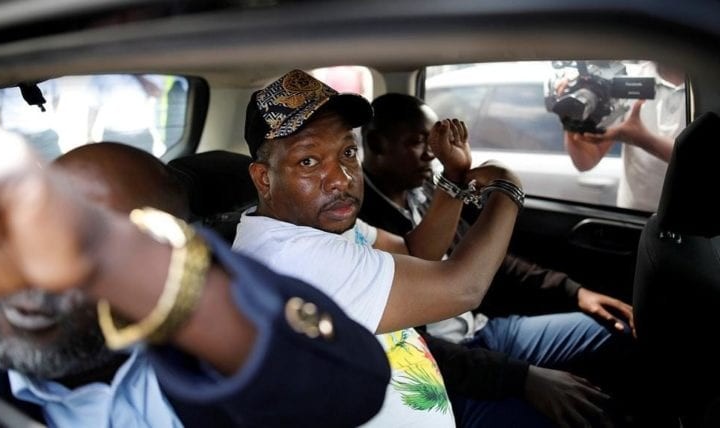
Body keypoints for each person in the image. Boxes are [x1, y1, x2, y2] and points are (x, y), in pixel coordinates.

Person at [232, 69, 609, 427]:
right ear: (264, 179)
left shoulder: (318, 225)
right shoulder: (292, 257)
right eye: (309, 161)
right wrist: (508, 189)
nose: (342, 179)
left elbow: (416, 251)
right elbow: (464, 286)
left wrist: (455, 178)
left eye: (347, 153)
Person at [0, 135, 390, 427]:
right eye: (27, 233)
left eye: (73, 238)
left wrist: (104, 252)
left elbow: (350, 388)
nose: (39, 268)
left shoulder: (208, 369)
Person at [361, 93, 638, 427]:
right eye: (419, 142)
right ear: (376, 145)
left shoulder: (426, 192)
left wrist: (574, 292)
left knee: (615, 329)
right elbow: (410, 345)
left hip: (483, 333)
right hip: (439, 368)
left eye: (436, 140)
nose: (432, 153)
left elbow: (487, 261)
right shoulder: (362, 227)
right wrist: (521, 378)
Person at [564, 61, 686, 211]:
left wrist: (643, 140)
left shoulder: (711, 78)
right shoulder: (628, 77)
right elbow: (586, 160)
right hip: (633, 218)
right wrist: (572, 117)